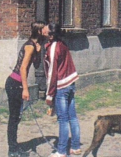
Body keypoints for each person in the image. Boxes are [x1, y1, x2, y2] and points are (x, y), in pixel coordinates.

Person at [5, 20, 46, 157]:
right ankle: (12, 150)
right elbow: (23, 68)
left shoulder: (34, 46)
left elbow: (37, 65)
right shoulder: (29, 47)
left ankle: (14, 146)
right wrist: (25, 89)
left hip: (16, 83)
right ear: (39, 31)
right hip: (15, 84)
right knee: (14, 117)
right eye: (44, 30)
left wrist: (39, 51)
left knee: (16, 117)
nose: (46, 32)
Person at [43, 23, 81, 157]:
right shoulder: (62, 43)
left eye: (46, 29)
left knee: (63, 119)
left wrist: (49, 95)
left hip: (62, 86)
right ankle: (76, 147)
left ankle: (61, 151)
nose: (43, 29)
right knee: (72, 117)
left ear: (51, 35)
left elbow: (52, 73)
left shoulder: (54, 47)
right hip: (70, 83)